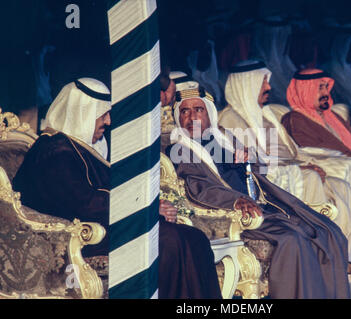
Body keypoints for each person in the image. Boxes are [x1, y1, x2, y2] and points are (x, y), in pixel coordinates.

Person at [13, 78, 221, 299]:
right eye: (103, 114)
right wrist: (146, 208)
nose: (109, 121)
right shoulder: (53, 152)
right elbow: (84, 203)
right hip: (79, 238)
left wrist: (148, 206)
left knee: (194, 237)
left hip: (107, 226)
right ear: (83, 112)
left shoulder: (74, 147)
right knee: (168, 242)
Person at [167, 84, 351, 299]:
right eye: (185, 111)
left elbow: (256, 172)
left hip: (265, 204)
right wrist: (236, 201)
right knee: (292, 239)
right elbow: (199, 188)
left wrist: (247, 161)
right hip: (237, 213)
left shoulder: (223, 138)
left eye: (198, 109)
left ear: (209, 113)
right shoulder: (179, 149)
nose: (192, 117)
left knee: (328, 231)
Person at [218, 61, 351, 267]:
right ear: (248, 85)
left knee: (341, 186)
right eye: (263, 82)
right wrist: (300, 169)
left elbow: (293, 151)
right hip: (268, 180)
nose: (268, 88)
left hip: (292, 169)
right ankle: (315, 258)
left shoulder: (267, 114)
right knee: (310, 178)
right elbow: (247, 163)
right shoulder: (230, 119)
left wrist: (308, 163)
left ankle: (342, 258)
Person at [281, 68, 351, 267]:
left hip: (347, 163)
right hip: (321, 166)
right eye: (320, 87)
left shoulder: (332, 117)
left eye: (326, 87)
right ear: (305, 90)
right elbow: (309, 149)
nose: (325, 92)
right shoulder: (294, 119)